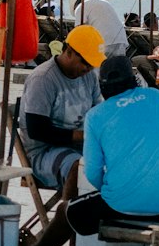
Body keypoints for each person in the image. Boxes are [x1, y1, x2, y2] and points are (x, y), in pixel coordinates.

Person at [22, 55, 159, 246]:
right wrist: (158, 163)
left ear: (103, 88)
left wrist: (115, 186)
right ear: (134, 80)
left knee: (65, 212)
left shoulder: (96, 116)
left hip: (117, 207)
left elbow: (92, 171)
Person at [18, 24, 105, 197]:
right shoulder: (43, 79)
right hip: (44, 151)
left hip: (79, 147)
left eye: (92, 64)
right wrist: (81, 136)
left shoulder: (89, 77)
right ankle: (68, 217)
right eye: (85, 63)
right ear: (69, 51)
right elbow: (37, 130)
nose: (88, 68)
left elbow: (98, 114)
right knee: (77, 168)